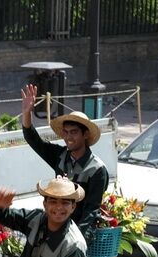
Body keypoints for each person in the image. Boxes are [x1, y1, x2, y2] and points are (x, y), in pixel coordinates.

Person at [21, 83, 109, 242]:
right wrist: (27, 113)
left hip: (78, 236)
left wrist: (75, 243)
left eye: (74, 132)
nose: (69, 137)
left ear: (85, 135)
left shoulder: (97, 169)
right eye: (66, 132)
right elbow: (33, 139)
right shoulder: (60, 155)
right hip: (55, 228)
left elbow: (91, 212)